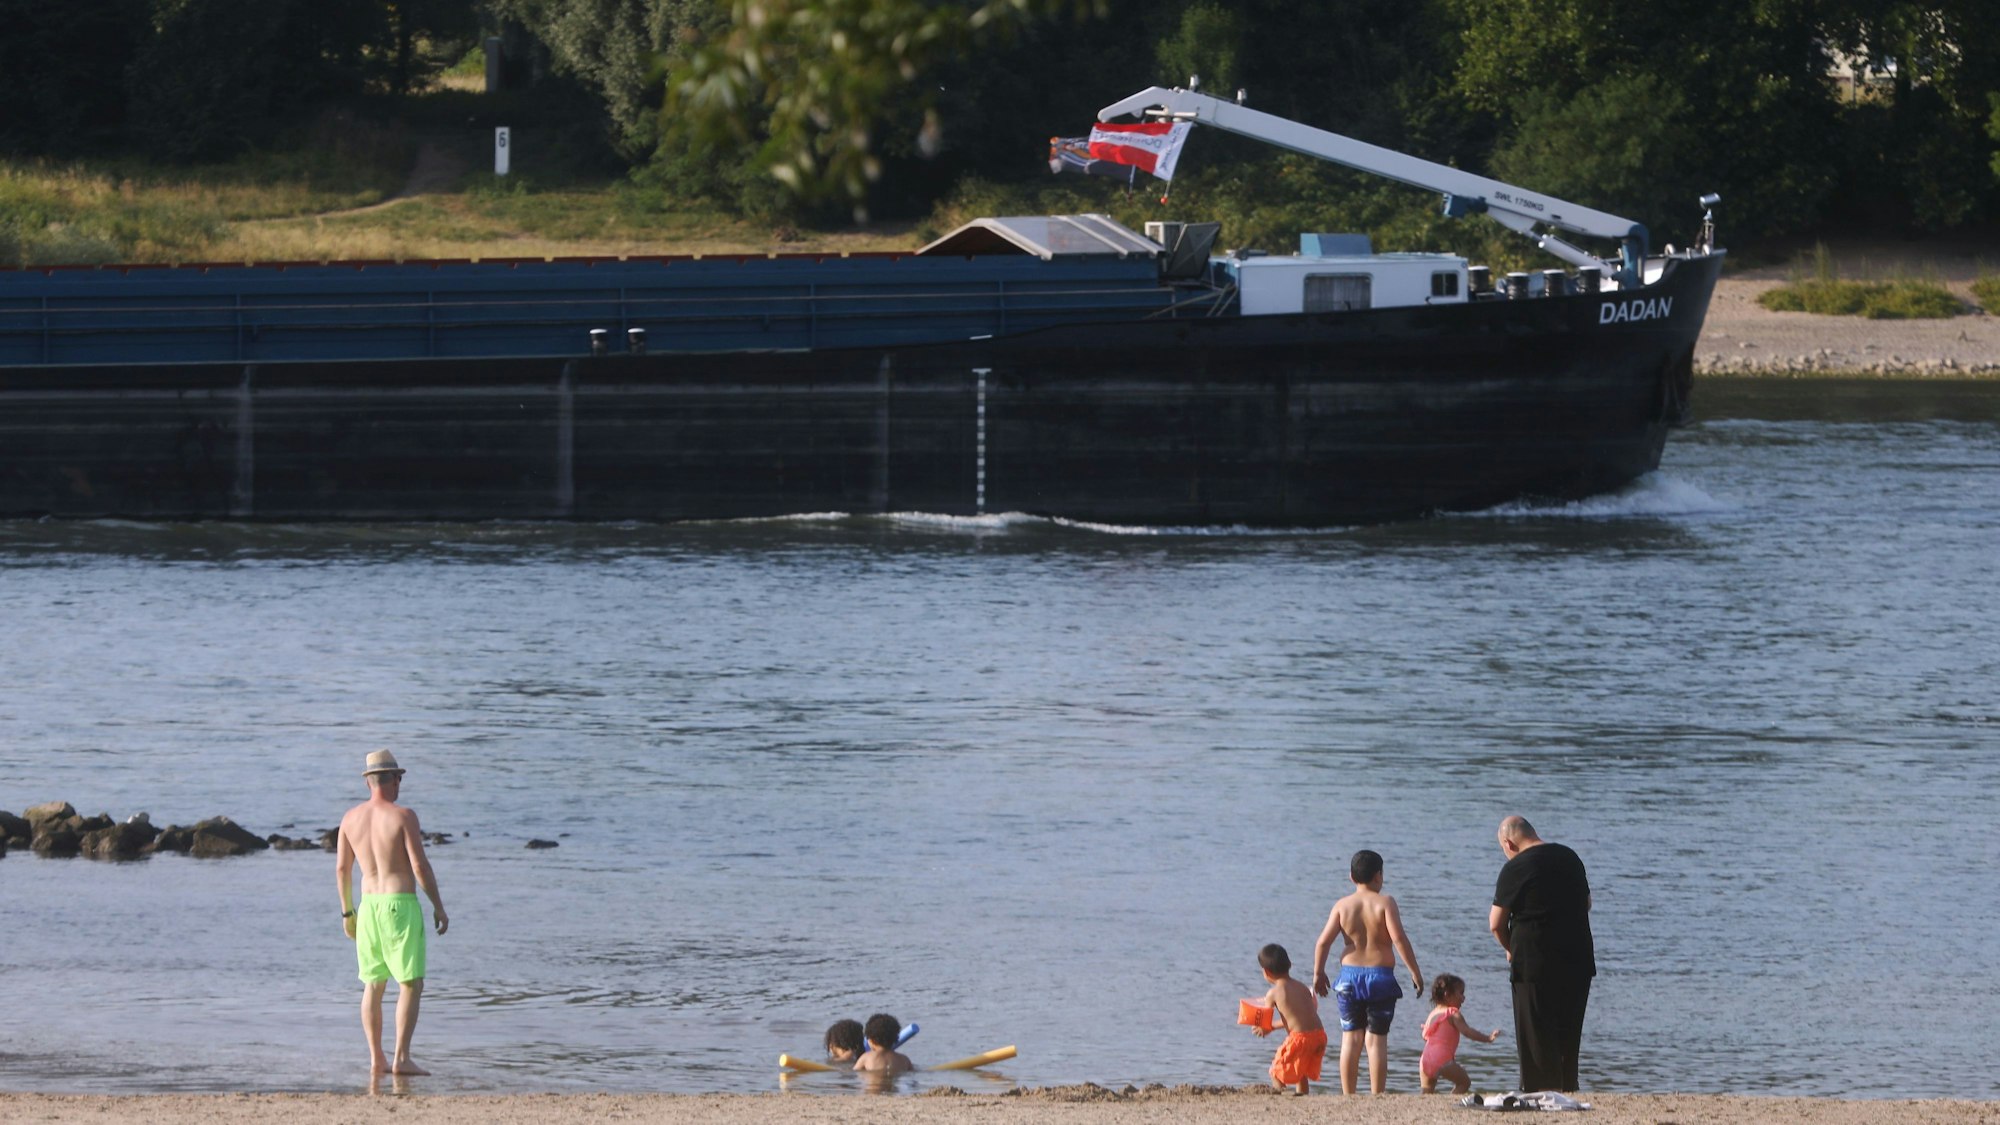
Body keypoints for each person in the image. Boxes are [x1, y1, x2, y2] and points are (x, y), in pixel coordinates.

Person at [336, 749, 449, 1076]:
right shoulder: (404, 816)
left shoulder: (349, 819)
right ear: (392, 779)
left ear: (369, 781)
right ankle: (401, 1058)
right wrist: (438, 906)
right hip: (399, 905)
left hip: (368, 908)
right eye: (399, 777)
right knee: (411, 983)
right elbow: (418, 865)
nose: (400, 784)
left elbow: (343, 869)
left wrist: (347, 913)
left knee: (373, 984)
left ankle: (376, 1060)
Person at [1489, 815, 1594, 1092]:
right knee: (1568, 1032)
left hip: (1533, 960)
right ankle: (1567, 1087)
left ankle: (1538, 1091)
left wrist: (1511, 949)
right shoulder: (1570, 857)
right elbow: (1587, 903)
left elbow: (1495, 923)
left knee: (1535, 1033)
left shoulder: (1516, 868)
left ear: (1509, 843)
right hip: (1577, 957)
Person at [1312, 849, 1424, 1095]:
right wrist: (1414, 972)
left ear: (1351, 878)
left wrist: (1318, 974)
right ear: (1379, 876)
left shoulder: (1342, 906)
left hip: (1348, 979)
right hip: (1381, 979)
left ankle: (1348, 1095)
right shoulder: (1385, 902)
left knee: (1350, 1039)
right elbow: (1399, 939)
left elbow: (1323, 943)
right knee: (1376, 1040)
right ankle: (1376, 1095)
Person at [1251, 943, 1326, 1095]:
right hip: (1319, 1035)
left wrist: (1263, 1028)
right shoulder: (1302, 987)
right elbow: (1299, 1018)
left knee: (1276, 1070)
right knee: (1301, 1069)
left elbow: (1264, 1023)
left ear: (1266, 972)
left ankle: (1281, 1097)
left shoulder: (1273, 993)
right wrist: (1272, 1027)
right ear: (1289, 964)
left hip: (1300, 1038)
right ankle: (1303, 1096)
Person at [1418, 973, 1502, 1094]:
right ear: (1447, 995)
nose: (1464, 998)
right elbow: (1467, 1032)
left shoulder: (1434, 1013)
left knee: (1427, 1091)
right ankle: (1450, 1103)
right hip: (1442, 1059)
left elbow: (1426, 1037)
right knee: (1464, 1083)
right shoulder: (1453, 1013)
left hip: (1425, 1059)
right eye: (1461, 993)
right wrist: (1487, 1038)